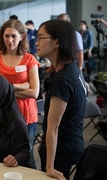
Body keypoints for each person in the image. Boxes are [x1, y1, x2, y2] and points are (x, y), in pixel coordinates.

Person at [0, 19, 39, 169]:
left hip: (25, 114)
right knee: (2, 155)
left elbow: (34, 92)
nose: (10, 40)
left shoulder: (30, 60)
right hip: (1, 114)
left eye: (13, 36)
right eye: (6, 36)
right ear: (1, 36)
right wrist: (20, 86)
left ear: (21, 36)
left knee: (26, 155)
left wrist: (4, 89)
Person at [36, 19, 86, 180]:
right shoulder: (72, 67)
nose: (36, 43)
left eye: (41, 38)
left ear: (57, 42)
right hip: (71, 142)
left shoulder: (62, 80)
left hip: (62, 149)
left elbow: (54, 128)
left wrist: (49, 166)